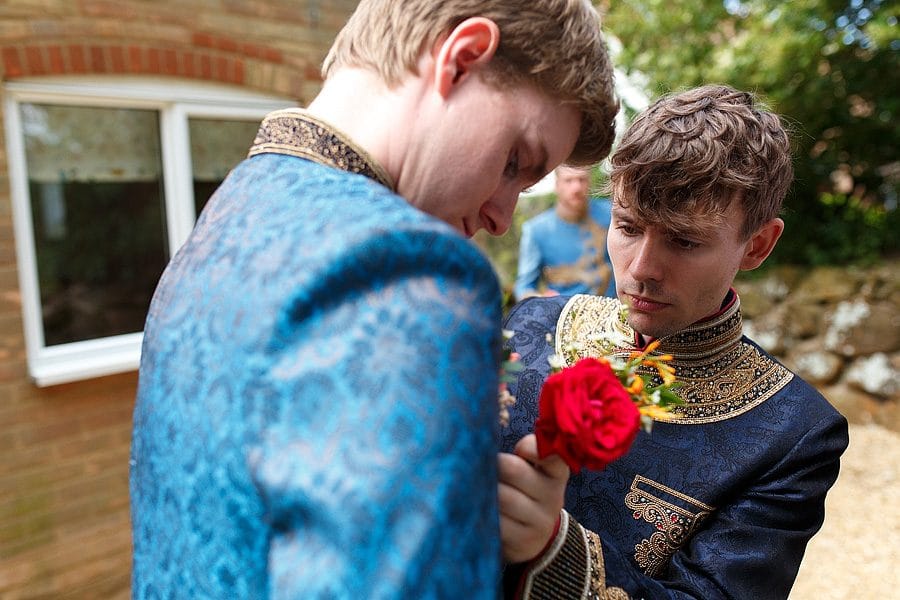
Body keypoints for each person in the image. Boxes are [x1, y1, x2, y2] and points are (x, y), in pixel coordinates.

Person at [129, 0, 619, 598]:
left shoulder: (232, 210)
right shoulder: (410, 269)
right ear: (462, 60)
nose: (501, 216)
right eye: (515, 161)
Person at [498, 85, 849, 599]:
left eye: (684, 240)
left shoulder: (794, 434)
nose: (641, 269)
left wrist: (555, 549)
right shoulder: (534, 324)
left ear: (758, 245)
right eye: (627, 227)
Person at [514, 164, 616, 301]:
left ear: (589, 181)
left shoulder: (611, 213)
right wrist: (542, 301)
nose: (576, 188)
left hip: (614, 313)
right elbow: (524, 287)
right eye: (569, 180)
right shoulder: (537, 230)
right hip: (565, 317)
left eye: (582, 179)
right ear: (557, 185)